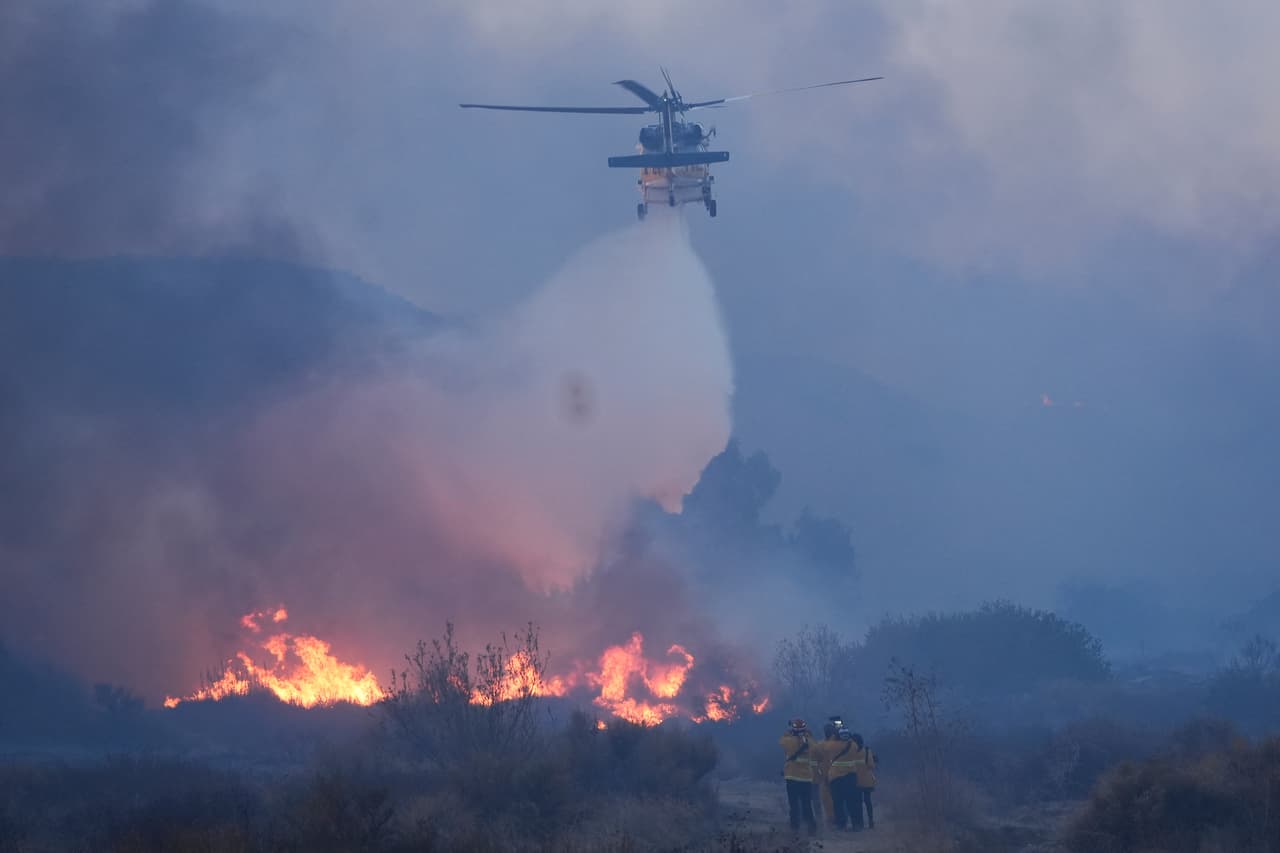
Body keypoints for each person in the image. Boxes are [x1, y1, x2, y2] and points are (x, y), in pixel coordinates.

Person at [817, 727, 864, 830]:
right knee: (852, 801)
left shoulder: (832, 745)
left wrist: (834, 736)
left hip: (836, 777)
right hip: (851, 777)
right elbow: (855, 744)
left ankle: (841, 824)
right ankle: (856, 824)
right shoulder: (853, 745)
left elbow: (825, 746)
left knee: (838, 802)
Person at [779, 718, 818, 835]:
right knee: (807, 804)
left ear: (793, 729)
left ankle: (794, 828)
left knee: (794, 804)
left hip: (792, 777)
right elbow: (815, 747)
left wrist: (788, 732)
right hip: (806, 778)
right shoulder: (810, 742)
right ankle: (812, 828)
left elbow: (781, 741)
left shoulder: (788, 741)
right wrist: (808, 735)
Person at [851, 732, 877, 830]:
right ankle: (871, 821)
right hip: (867, 780)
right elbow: (871, 765)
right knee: (867, 801)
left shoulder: (851, 752)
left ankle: (860, 823)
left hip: (855, 781)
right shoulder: (866, 750)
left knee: (857, 802)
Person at [816, 719, 840, 826]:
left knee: (830, 798)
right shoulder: (836, 744)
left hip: (830, 775)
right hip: (830, 775)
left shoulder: (823, 744)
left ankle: (833, 818)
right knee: (831, 798)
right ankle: (834, 818)